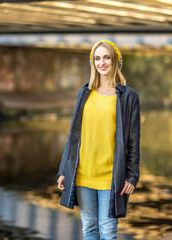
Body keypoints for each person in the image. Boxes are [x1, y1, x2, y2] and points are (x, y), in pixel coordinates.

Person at [57, 40, 140, 240]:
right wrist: (63, 171)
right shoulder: (84, 93)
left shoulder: (128, 97)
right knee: (90, 230)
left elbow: (133, 141)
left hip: (111, 177)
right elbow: (73, 136)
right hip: (83, 174)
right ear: (92, 62)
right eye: (97, 58)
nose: (101, 62)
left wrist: (132, 175)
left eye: (106, 57)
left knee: (109, 232)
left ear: (115, 60)